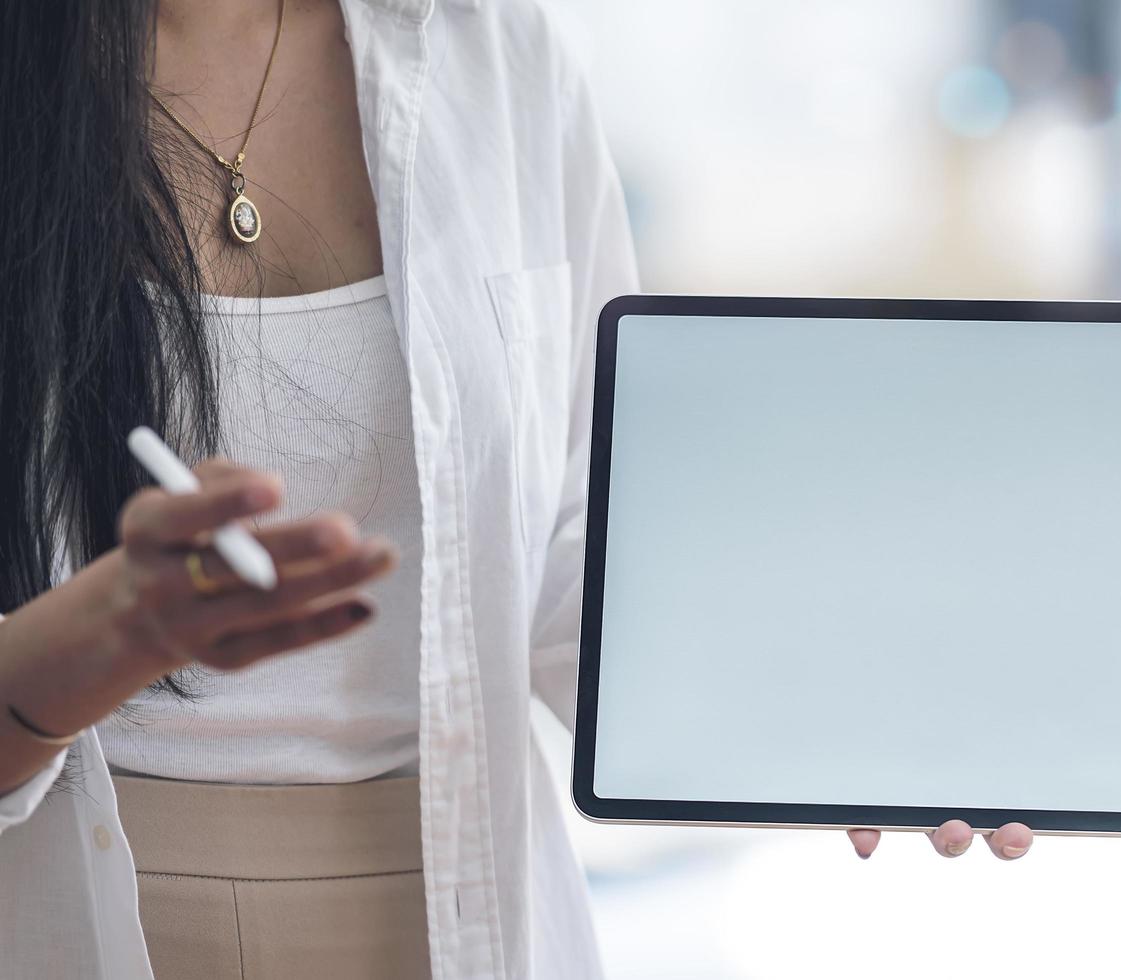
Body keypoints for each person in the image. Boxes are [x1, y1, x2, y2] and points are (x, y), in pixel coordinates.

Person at [0, 0, 1035, 977]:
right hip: (59, 906)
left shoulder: (494, 55)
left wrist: (852, 720)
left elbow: (569, 556)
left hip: (451, 910)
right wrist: (103, 636)